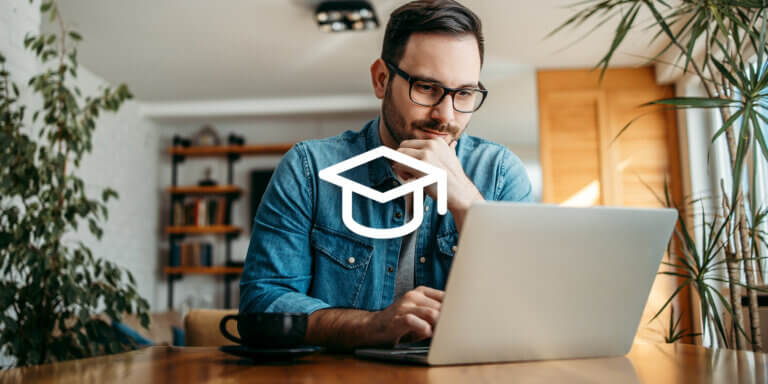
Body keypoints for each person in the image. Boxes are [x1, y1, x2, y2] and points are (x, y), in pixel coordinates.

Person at [239, 0, 533, 350]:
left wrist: (468, 206)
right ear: (381, 79)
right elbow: (263, 305)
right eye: (426, 87)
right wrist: (372, 326)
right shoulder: (309, 171)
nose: (446, 115)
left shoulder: (500, 174)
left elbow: (533, 311)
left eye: (464, 93)